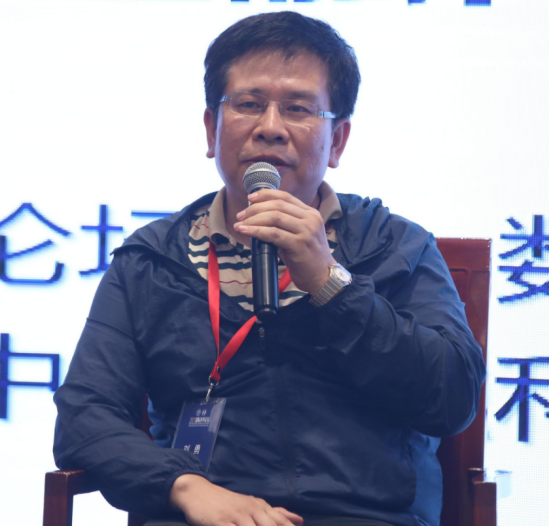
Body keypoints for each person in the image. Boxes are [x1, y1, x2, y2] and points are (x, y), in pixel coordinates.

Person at [53, 11, 486, 526]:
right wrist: (184, 487)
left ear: (338, 140)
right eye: (249, 104)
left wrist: (330, 284)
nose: (271, 128)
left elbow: (452, 397)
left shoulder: (395, 246)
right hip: (203, 516)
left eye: (298, 108)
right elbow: (86, 414)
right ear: (212, 129)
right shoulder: (152, 260)